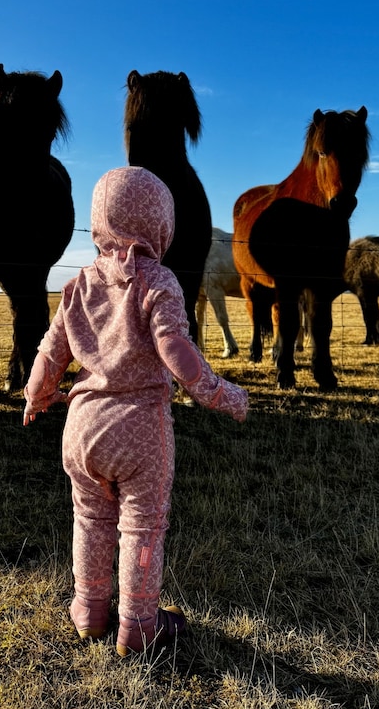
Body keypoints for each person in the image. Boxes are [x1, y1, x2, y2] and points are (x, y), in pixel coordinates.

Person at [23, 166, 248, 656]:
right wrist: (218, 392)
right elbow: (175, 349)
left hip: (81, 430)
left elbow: (50, 353)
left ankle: (88, 609)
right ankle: (139, 622)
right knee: (142, 526)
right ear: (161, 224)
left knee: (90, 520)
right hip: (140, 430)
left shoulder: (79, 284)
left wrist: (36, 396)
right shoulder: (159, 281)